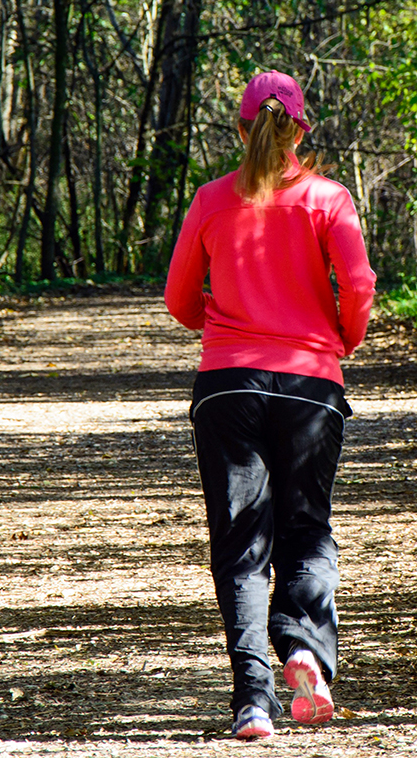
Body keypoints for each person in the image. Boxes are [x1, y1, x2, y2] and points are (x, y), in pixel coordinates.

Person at [164, 70, 376, 740]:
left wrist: (223, 323)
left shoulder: (210, 201)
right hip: (311, 382)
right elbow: (360, 282)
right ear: (299, 129)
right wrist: (342, 337)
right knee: (306, 528)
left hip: (228, 385)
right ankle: (306, 651)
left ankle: (253, 701)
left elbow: (178, 300)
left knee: (241, 544)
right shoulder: (327, 197)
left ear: (241, 126)